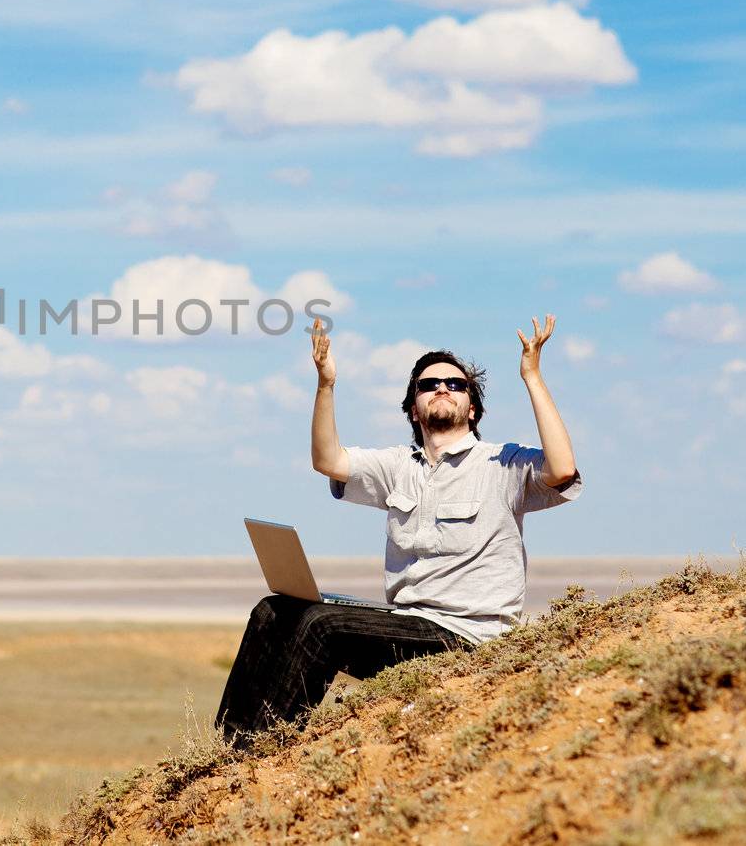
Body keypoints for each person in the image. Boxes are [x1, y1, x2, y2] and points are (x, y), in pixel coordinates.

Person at [215, 314, 582, 743]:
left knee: (322, 625)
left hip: (466, 636)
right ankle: (228, 750)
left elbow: (562, 468)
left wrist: (532, 377)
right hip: (406, 624)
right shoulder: (398, 467)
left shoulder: (502, 464)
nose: (443, 388)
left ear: (472, 407)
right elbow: (327, 461)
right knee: (273, 610)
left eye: (456, 384)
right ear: (414, 407)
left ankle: (267, 748)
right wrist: (326, 385)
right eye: (429, 385)